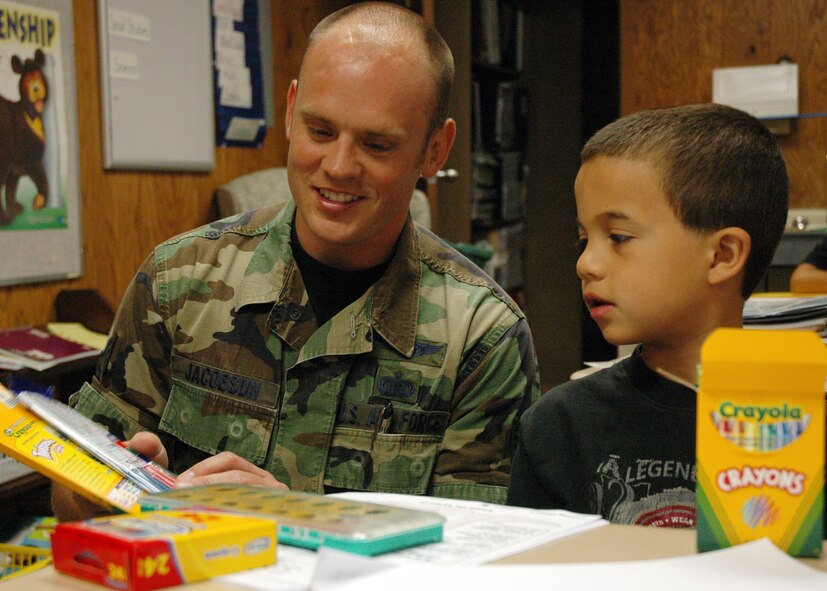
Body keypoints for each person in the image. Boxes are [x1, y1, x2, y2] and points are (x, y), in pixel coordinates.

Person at [54, 3, 540, 521]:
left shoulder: (482, 338)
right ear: (289, 111)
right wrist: (107, 491)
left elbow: (479, 563)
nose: (338, 166)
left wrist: (298, 522)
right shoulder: (180, 281)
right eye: (320, 131)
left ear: (435, 149)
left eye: (376, 145)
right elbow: (67, 505)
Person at [506, 104, 789, 527]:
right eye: (584, 239)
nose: (586, 264)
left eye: (619, 237)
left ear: (722, 255)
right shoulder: (559, 427)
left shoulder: (801, 417)